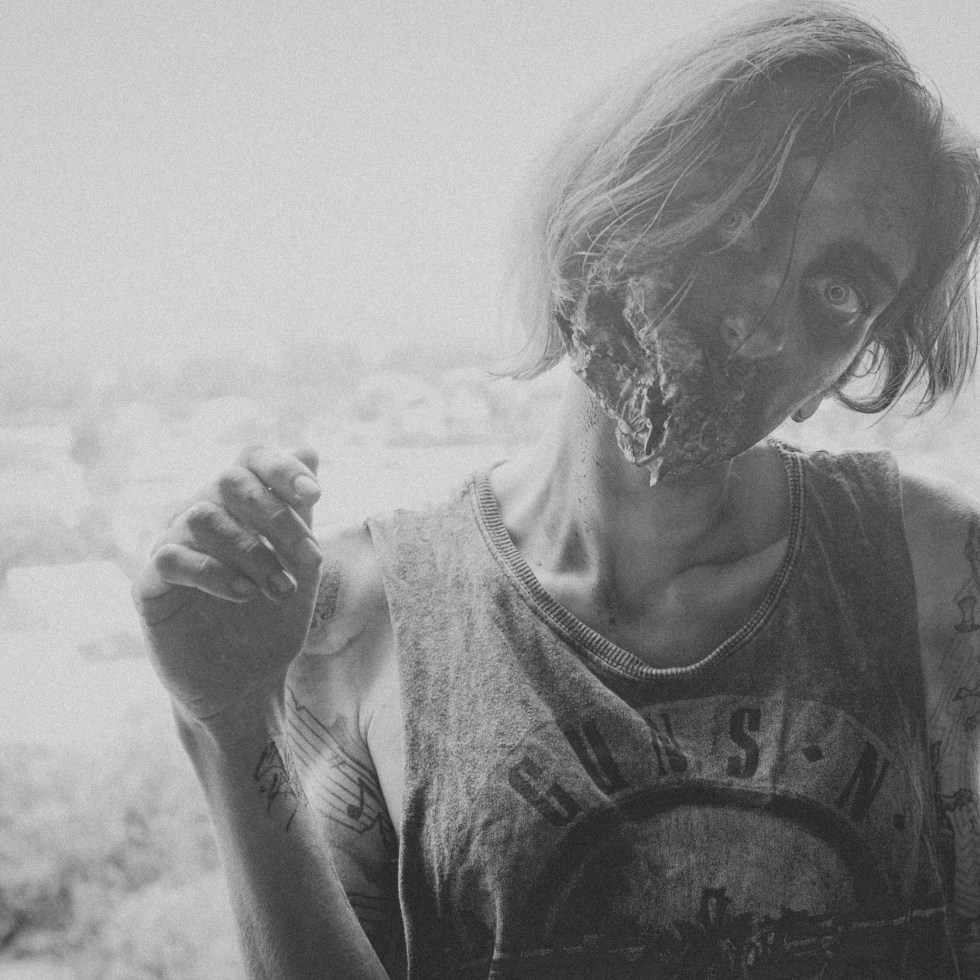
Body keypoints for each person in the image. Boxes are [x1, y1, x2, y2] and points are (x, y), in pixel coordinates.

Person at [134, 2, 980, 977]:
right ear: (613, 211)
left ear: (833, 377)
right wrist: (228, 721)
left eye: (838, 291)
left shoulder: (933, 575)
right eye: (742, 222)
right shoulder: (363, 616)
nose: (758, 316)